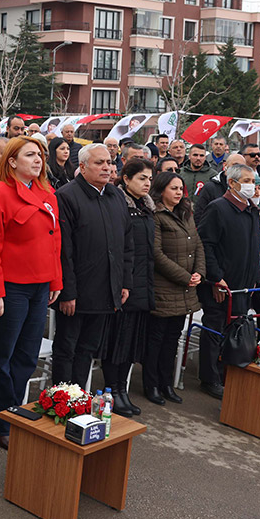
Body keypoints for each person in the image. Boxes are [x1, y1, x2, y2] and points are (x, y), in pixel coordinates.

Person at [0, 136, 62, 449]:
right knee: (2, 355)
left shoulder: (45, 192)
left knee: (27, 355)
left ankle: (13, 409)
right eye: (30, 155)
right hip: (11, 287)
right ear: (11, 161)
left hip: (41, 285)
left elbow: (55, 241)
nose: (38, 160)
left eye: (40, 155)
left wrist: (56, 281)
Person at [52, 143, 133, 391]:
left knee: (88, 348)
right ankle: (62, 399)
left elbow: (127, 243)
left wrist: (124, 282)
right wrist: (68, 293)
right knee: (67, 348)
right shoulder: (66, 196)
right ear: (83, 167)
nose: (107, 168)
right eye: (100, 163)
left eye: (109, 162)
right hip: (76, 292)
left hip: (106, 288)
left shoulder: (116, 195)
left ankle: (79, 397)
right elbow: (63, 250)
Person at [196, 163, 260, 399]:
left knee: (237, 329)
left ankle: (228, 373)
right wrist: (216, 279)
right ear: (232, 183)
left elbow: (255, 248)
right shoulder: (218, 208)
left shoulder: (252, 210)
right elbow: (206, 245)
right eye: (246, 181)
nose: (251, 185)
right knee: (214, 329)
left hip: (244, 285)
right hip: (221, 284)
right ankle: (209, 378)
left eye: (253, 180)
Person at [144, 172, 204, 406]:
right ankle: (152, 384)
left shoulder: (186, 212)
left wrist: (199, 272)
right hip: (165, 287)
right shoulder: (156, 215)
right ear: (161, 190)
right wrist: (185, 277)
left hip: (185, 289)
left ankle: (166, 382)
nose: (179, 192)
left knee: (173, 338)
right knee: (156, 339)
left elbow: (197, 244)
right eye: (173, 188)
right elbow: (156, 254)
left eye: (181, 188)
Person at [102, 159, 155, 417]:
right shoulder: (119, 204)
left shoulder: (146, 206)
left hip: (143, 283)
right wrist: (125, 283)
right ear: (126, 178)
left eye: (149, 179)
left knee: (132, 343)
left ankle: (122, 389)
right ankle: (112, 390)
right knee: (118, 343)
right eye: (142, 178)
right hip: (125, 284)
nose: (147, 183)